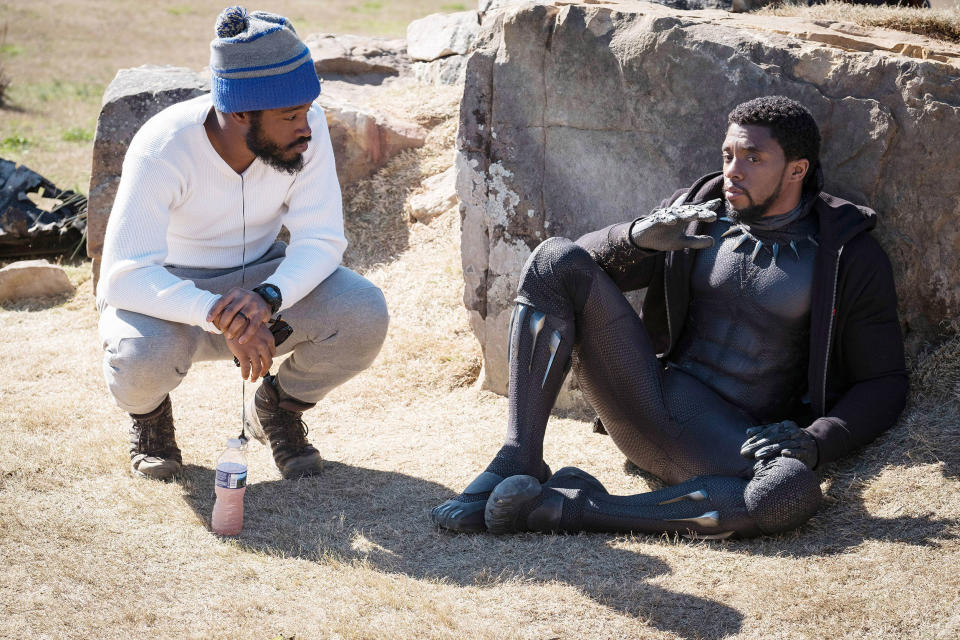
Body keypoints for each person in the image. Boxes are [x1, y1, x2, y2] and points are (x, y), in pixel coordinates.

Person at [432, 96, 907, 538]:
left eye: (752, 158)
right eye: (727, 155)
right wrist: (637, 236)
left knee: (790, 492)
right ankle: (518, 459)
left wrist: (816, 441)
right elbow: (568, 269)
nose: (731, 172)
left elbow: (883, 381)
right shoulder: (698, 213)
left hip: (728, 448)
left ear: (796, 170)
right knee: (552, 257)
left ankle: (569, 508)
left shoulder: (847, 255)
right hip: (645, 397)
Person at [97, 6, 389, 481]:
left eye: (307, 110)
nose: (307, 127)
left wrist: (266, 298)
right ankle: (150, 422)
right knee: (139, 357)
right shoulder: (163, 146)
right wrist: (218, 311)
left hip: (263, 283)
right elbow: (126, 275)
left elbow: (322, 240)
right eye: (291, 115)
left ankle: (278, 408)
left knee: (363, 310)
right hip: (171, 294)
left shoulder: (304, 133)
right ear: (238, 113)